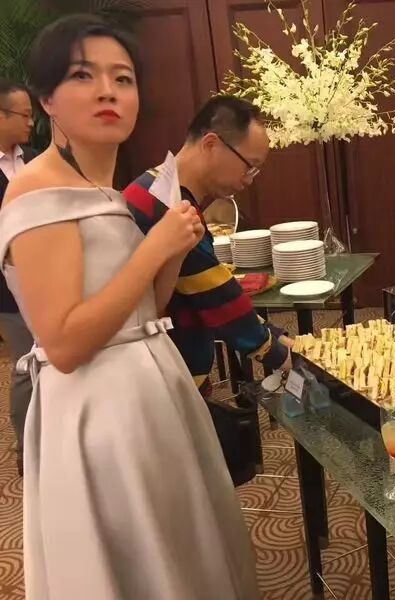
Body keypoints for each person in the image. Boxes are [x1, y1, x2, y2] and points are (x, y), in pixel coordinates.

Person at [0, 15, 259, 599]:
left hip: (149, 392)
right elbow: (65, 344)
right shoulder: (36, 191)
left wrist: (173, 251)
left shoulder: (110, 193)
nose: (107, 92)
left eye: (123, 78)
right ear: (46, 100)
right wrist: (154, 250)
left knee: (178, 554)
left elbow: (145, 310)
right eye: (82, 76)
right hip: (99, 412)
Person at [124, 96, 292, 398]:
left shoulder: (157, 185)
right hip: (161, 378)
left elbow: (209, 282)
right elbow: (216, 297)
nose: (249, 180)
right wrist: (279, 352)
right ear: (212, 144)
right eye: (250, 166)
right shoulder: (166, 204)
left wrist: (275, 338)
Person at [0, 78, 36, 475]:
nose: (31, 122)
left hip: (51, 276)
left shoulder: (38, 161)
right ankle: (28, 448)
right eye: (23, 115)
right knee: (28, 363)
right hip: (8, 290)